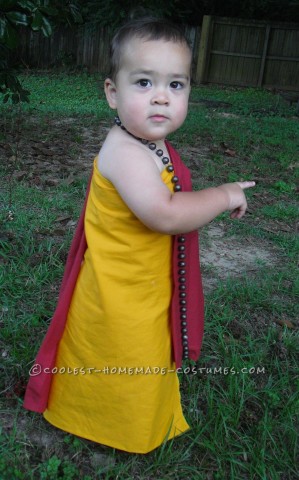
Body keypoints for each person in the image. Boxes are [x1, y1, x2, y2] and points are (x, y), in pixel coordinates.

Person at [23, 16, 255, 454]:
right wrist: (223, 195)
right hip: (120, 292)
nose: (162, 97)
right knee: (123, 357)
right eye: (144, 82)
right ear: (113, 93)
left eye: (177, 85)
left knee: (141, 354)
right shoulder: (126, 152)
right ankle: (110, 424)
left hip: (143, 283)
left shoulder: (150, 142)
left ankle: (121, 414)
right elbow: (164, 215)